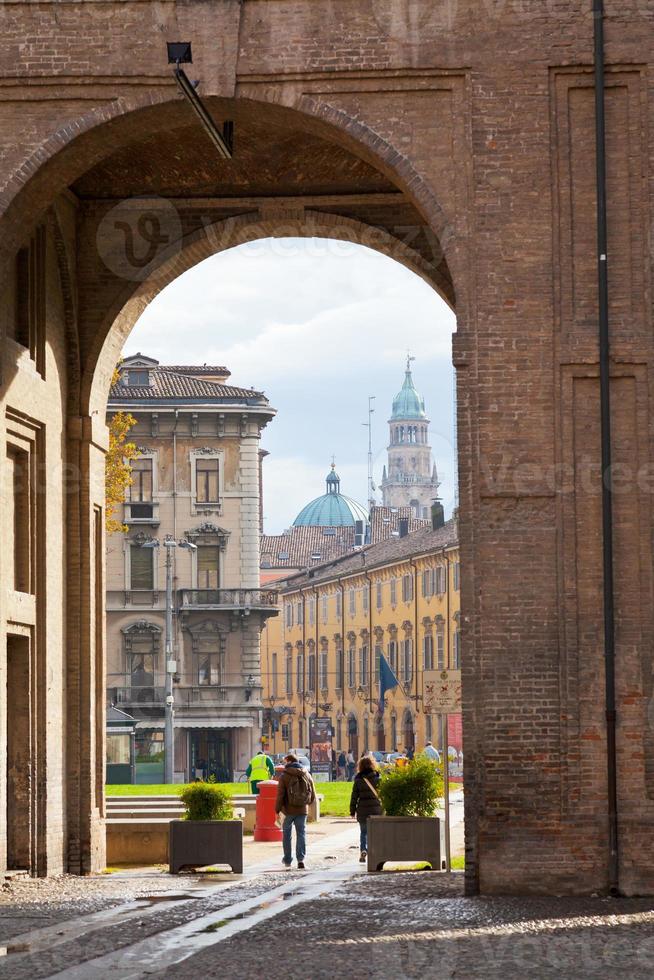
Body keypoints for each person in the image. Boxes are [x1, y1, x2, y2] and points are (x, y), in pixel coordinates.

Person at [275, 753, 316, 869]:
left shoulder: (284, 776)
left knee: (287, 835)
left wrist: (277, 809)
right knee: (301, 834)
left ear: (288, 761)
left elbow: (280, 795)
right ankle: (301, 859)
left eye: (285, 761)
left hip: (287, 810)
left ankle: (287, 859)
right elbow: (312, 793)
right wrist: (307, 804)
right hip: (302, 810)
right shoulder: (306, 774)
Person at [350, 755, 383, 862]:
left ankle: (363, 849)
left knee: (363, 832)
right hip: (376, 810)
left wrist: (352, 811)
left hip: (362, 810)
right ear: (373, 764)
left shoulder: (358, 779)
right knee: (376, 832)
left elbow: (354, 796)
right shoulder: (378, 778)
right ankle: (375, 853)